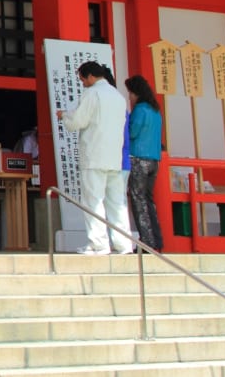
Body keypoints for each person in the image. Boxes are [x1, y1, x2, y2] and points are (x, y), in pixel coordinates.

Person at [56, 60, 131, 255]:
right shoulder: (118, 96)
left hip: (94, 155)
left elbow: (78, 120)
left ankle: (98, 244)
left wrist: (64, 115)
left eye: (82, 79)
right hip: (114, 157)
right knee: (117, 203)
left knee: (94, 200)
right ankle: (123, 244)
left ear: (90, 77)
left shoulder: (92, 93)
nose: (82, 84)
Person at [124, 74, 164, 251]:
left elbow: (132, 133)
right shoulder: (155, 110)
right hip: (154, 160)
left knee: (138, 201)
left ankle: (147, 242)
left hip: (139, 158)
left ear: (136, 93)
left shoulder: (139, 110)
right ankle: (156, 240)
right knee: (148, 201)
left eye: (130, 93)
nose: (129, 97)